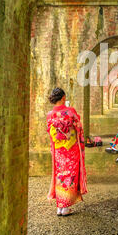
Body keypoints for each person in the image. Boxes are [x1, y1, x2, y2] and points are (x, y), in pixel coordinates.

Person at [46, 87, 87, 216]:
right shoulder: (70, 112)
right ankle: (65, 206)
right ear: (63, 97)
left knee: (60, 175)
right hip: (71, 148)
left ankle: (60, 206)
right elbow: (79, 126)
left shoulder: (50, 115)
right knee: (70, 175)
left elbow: (50, 132)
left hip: (59, 149)